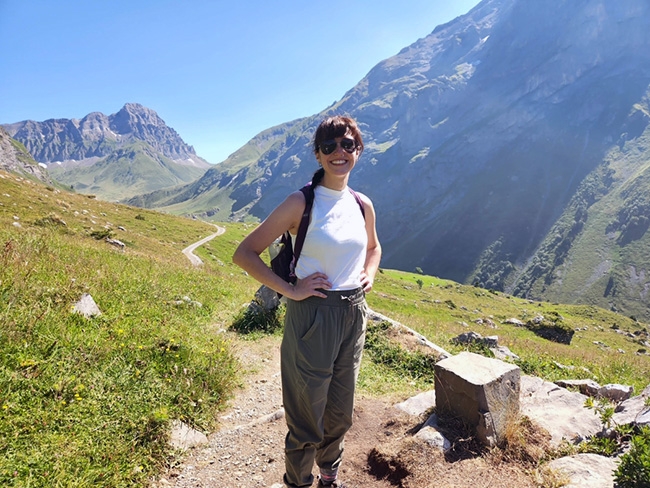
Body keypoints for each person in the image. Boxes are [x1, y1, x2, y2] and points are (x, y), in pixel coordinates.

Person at [233, 115, 381, 488]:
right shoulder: (301, 202)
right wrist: (292, 290)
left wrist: (370, 273)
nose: (338, 153)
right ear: (318, 154)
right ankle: (298, 482)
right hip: (312, 313)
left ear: (358, 150)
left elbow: (375, 248)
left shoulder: (363, 205)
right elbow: (245, 253)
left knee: (340, 410)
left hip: (353, 313)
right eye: (329, 146)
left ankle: (329, 476)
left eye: (347, 145)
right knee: (306, 414)